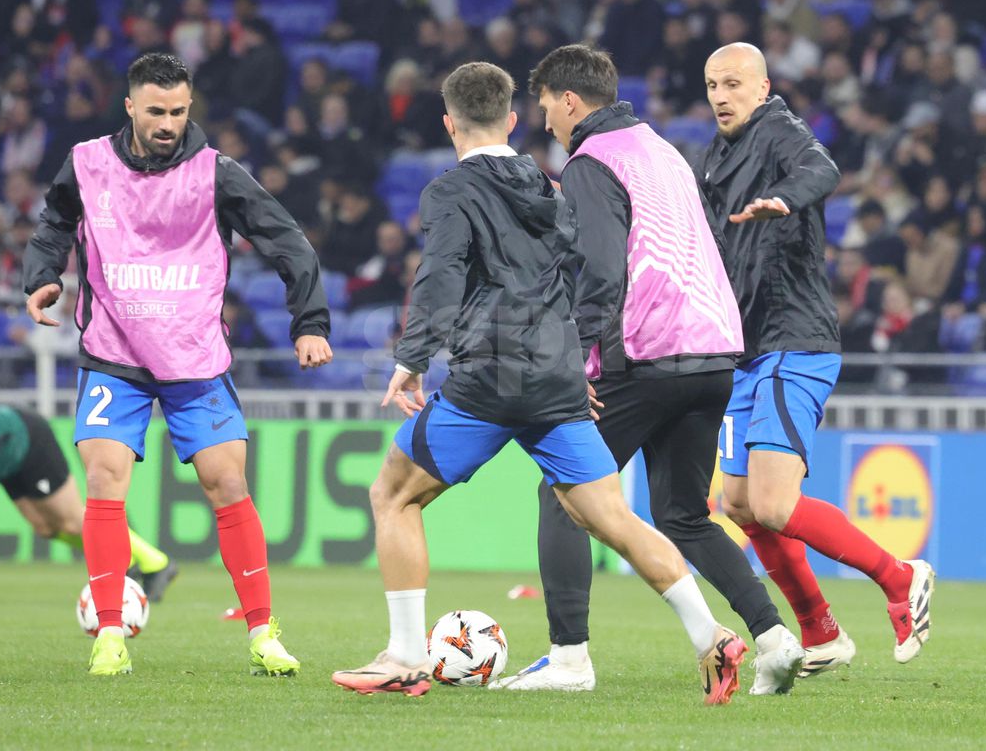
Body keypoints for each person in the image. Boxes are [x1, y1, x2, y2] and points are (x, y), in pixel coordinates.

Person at [330, 61, 746, 705]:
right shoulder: (549, 185)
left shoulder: (449, 192)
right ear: (513, 120)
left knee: (392, 494)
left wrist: (412, 357)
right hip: (559, 378)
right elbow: (586, 269)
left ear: (449, 123)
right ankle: (710, 634)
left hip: (491, 376)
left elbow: (440, 278)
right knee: (609, 516)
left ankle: (406, 656)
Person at [496, 44, 805, 698]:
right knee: (684, 514)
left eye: (546, 103)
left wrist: (579, 357)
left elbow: (605, 270)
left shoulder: (590, 160)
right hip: (713, 348)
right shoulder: (660, 150)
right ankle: (774, 639)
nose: (543, 116)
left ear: (570, 101)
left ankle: (569, 658)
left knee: (563, 490)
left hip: (647, 349)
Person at [22, 53, 333, 677]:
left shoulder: (214, 173)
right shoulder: (87, 164)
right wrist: (43, 276)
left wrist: (310, 323)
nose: (169, 122)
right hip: (115, 354)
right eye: (157, 110)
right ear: (131, 106)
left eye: (180, 111)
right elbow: (54, 220)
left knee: (229, 486)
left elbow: (287, 240)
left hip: (193, 359)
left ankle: (262, 634)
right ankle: (109, 634)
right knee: (105, 479)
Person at [696, 43, 935, 675]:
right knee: (740, 506)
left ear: (763, 86)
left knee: (773, 505)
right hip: (745, 349)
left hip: (792, 339)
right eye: (713, 85)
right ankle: (820, 632)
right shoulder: (715, 158)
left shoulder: (779, 130)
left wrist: (787, 198)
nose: (721, 95)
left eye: (733, 83)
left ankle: (899, 575)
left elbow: (821, 167)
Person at [0, 406, 178, 601]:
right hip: (4, 456)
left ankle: (157, 563)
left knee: (72, 520)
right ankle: (125, 561)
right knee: (46, 528)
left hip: (24, 435)